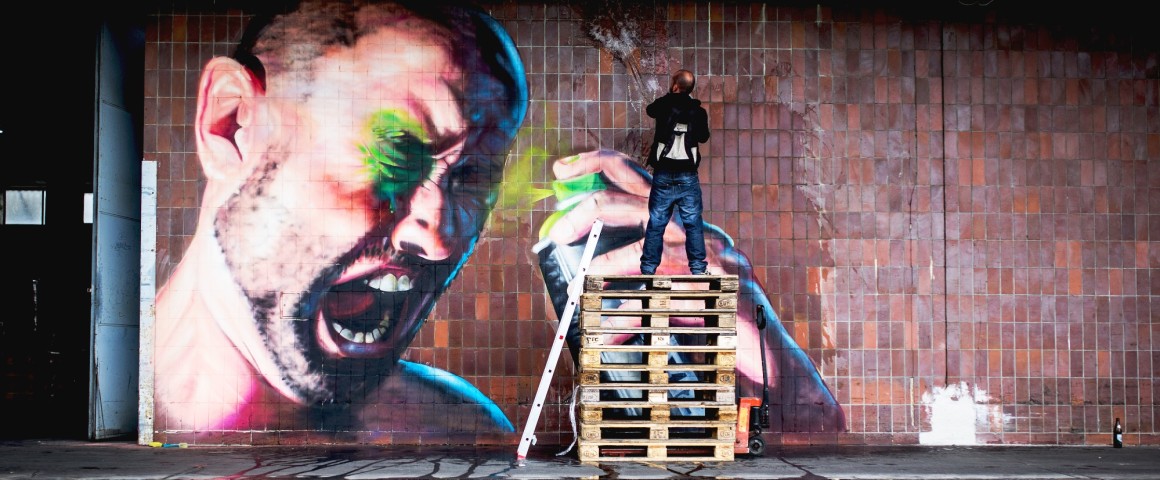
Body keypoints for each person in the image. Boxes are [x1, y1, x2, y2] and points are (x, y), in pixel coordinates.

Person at [153, 0, 527, 437]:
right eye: (395, 151)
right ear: (231, 123)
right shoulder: (114, 408)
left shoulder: (462, 433)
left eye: (472, 177)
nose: (440, 239)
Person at [639, 69, 711, 276]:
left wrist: (672, 96)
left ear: (675, 85)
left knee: (656, 223)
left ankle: (648, 270)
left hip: (663, 174)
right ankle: (698, 269)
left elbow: (650, 110)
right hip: (687, 175)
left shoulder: (664, 105)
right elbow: (704, 137)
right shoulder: (698, 112)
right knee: (693, 223)